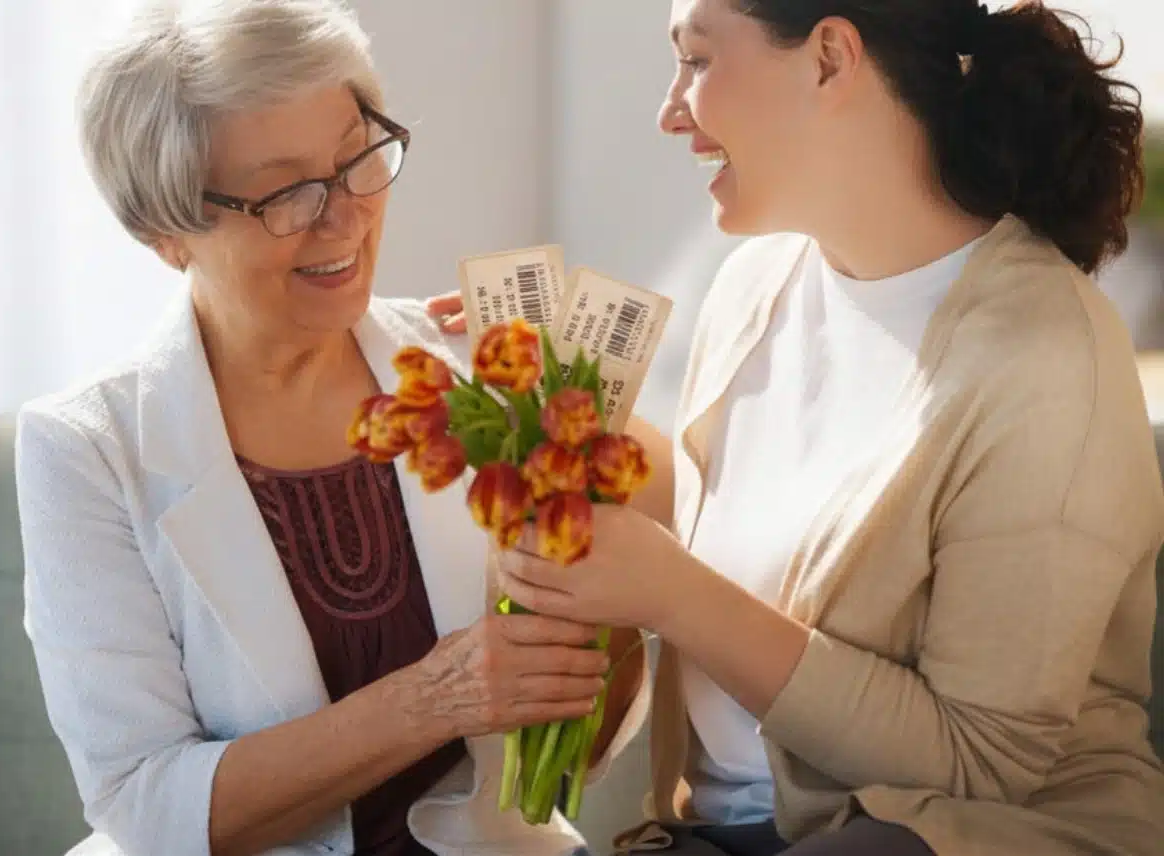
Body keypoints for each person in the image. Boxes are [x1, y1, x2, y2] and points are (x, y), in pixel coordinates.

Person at [434, 1, 1164, 854]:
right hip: (727, 829)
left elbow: (981, 762)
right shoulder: (758, 284)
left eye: (699, 62)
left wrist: (670, 592)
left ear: (828, 57)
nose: (670, 110)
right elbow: (736, 529)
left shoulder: (1041, 358)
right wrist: (568, 410)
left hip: (964, 832)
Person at [13, 2, 657, 855]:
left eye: (357, 159)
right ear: (164, 232)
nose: (346, 218)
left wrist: (589, 479)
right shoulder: (87, 449)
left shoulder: (481, 380)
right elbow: (142, 801)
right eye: (288, 193)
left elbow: (582, 745)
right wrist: (436, 696)